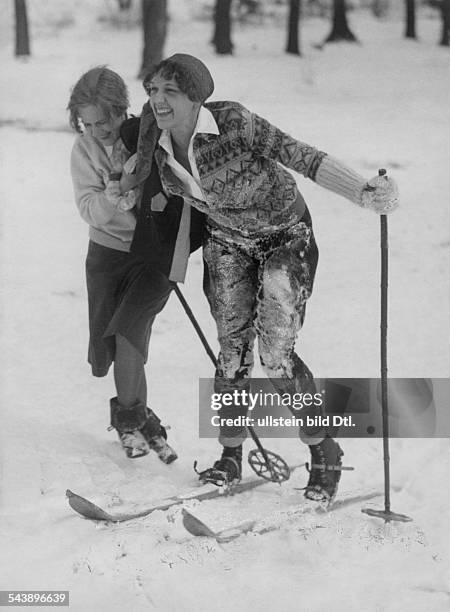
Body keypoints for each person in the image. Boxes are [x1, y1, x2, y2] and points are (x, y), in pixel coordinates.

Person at [134, 54, 399, 502]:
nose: (158, 100)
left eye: (170, 92)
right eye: (153, 90)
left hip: (284, 235)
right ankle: (230, 455)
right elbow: (132, 168)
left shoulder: (234, 122)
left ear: (196, 98)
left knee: (275, 355)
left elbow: (300, 154)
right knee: (232, 350)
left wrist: (362, 191)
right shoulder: (153, 136)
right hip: (226, 240)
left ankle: (323, 449)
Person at [68, 66, 201, 464]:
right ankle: (144, 420)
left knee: (129, 333)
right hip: (106, 255)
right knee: (110, 341)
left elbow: (178, 186)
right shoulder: (84, 150)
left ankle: (128, 421)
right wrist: (117, 191)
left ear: (122, 108)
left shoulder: (149, 134)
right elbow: (90, 209)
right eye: (87, 123)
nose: (98, 130)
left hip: (154, 254)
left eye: (105, 119)